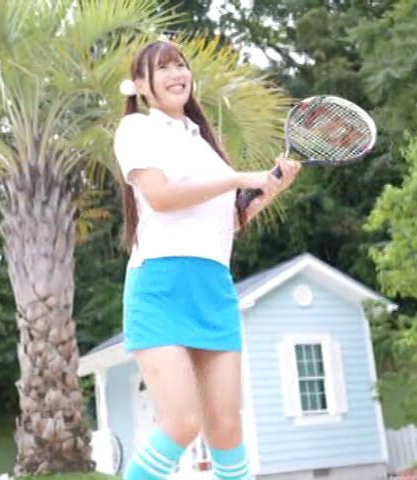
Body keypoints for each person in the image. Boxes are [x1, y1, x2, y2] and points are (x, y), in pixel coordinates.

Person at [113, 40, 301, 480]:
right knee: (182, 423)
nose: (177, 74)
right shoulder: (137, 129)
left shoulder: (203, 142)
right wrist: (236, 178)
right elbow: (161, 198)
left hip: (213, 286)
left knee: (227, 428)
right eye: (164, 68)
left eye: (181, 65)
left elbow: (223, 223)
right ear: (141, 84)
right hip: (160, 286)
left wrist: (268, 191)